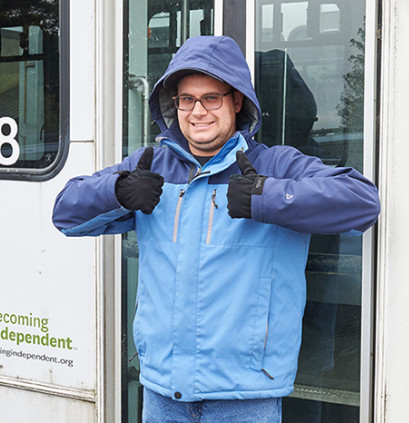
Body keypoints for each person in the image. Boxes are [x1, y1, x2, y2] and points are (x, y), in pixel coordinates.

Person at [52, 36, 380, 423]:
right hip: (162, 393)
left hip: (245, 398)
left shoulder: (275, 166)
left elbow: (362, 201)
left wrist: (264, 196)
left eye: (212, 98)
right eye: (187, 99)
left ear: (236, 101)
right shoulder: (150, 166)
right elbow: (65, 213)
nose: (197, 111)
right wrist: (117, 190)